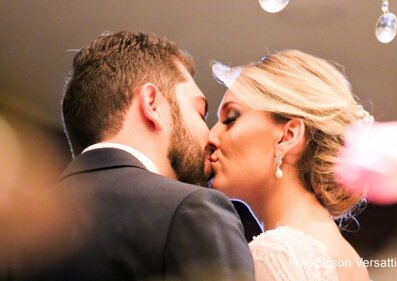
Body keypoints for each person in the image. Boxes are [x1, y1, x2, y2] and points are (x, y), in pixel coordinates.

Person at [9, 31, 254, 281]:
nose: (211, 137)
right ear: (152, 104)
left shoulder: (15, 231)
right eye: (200, 113)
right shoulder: (191, 209)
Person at [209, 50, 371, 281]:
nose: (211, 136)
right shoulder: (347, 258)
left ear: (287, 136)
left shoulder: (278, 254)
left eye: (231, 118)